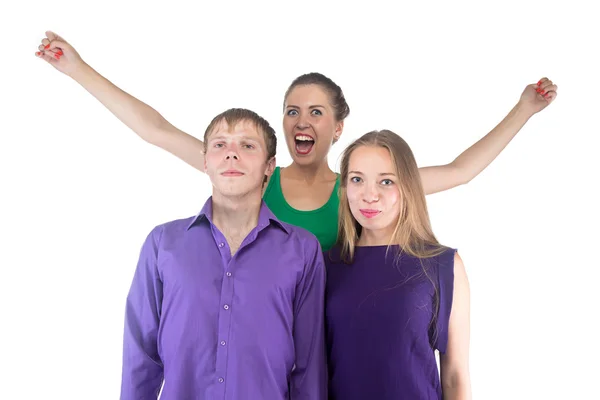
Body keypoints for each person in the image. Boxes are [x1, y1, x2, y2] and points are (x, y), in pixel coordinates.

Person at [35, 31, 558, 251]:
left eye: (315, 112)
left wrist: (524, 109)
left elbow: (461, 171)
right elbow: (156, 130)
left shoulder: (360, 190)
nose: (300, 120)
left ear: (337, 127)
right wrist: (77, 69)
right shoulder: (258, 177)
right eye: (291, 111)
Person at [121, 108, 327, 399]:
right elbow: (140, 355)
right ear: (205, 162)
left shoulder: (303, 249)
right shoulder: (162, 244)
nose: (232, 154)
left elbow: (309, 363)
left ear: (270, 166)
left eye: (247, 145)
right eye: (220, 145)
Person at [325, 130, 470, 399]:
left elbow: (455, 377)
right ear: (344, 188)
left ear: (408, 187)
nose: (369, 195)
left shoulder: (442, 265)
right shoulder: (324, 266)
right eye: (357, 179)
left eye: (386, 182)